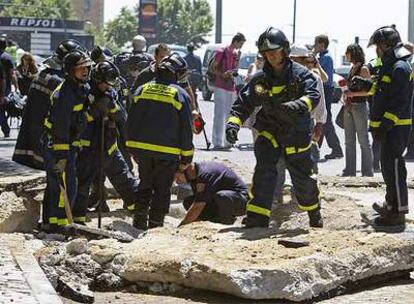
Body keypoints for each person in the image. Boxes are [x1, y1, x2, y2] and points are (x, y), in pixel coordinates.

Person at [226, 27, 322, 228]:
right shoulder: (260, 79)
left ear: (284, 50)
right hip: (270, 132)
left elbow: (313, 96)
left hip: (296, 134)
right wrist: (233, 124)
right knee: (264, 172)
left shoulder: (302, 75)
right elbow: (243, 103)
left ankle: (314, 213)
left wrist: (294, 106)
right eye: (266, 52)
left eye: (274, 51)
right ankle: (258, 217)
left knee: (303, 180)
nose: (270, 55)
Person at [127, 53, 194, 230]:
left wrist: (132, 149)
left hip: (143, 152)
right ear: (175, 73)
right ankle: (156, 226)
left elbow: (131, 120)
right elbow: (186, 129)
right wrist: (186, 159)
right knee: (162, 189)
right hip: (168, 153)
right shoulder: (179, 94)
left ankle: (139, 222)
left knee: (145, 184)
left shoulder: (141, 89)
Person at [360, 25, 413, 226]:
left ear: (386, 46)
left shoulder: (400, 67)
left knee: (395, 168)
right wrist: (366, 85)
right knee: (388, 168)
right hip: (390, 127)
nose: (376, 51)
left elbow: (399, 101)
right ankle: (390, 206)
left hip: (395, 127)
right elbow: (383, 91)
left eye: (378, 47)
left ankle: (398, 212)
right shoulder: (390, 66)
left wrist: (386, 124)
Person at [74, 60, 139, 220]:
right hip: (88, 151)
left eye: (111, 83)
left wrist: (112, 108)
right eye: (106, 83)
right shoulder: (83, 93)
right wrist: (92, 112)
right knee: (83, 186)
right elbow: (74, 124)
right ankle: (78, 220)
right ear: (97, 80)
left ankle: (139, 211)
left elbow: (122, 118)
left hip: (109, 148)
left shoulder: (111, 94)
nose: (109, 86)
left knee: (126, 181)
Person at [12, 40, 86, 170]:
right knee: (59, 176)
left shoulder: (43, 74)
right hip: (51, 136)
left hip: (37, 133)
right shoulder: (60, 82)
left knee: (51, 172)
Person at [41, 50, 93, 232]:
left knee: (62, 185)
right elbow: (60, 129)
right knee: (63, 187)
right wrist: (61, 156)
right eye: (81, 69)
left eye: (87, 67)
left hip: (68, 145)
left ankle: (52, 223)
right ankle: (59, 225)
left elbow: (81, 117)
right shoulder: (63, 95)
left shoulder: (80, 88)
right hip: (57, 146)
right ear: (71, 71)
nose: (85, 71)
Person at [273, 44, 327, 203]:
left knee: (306, 160)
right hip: (281, 124)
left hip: (304, 125)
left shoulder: (313, 78)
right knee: (278, 161)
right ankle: (276, 197)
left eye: (303, 59)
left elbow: (320, 103)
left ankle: (306, 195)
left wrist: (319, 123)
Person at [175, 162, 248, 226]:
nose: (177, 182)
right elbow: (198, 200)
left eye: (178, 177)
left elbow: (199, 205)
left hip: (240, 201)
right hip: (219, 201)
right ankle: (213, 221)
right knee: (188, 201)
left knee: (222, 196)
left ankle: (226, 223)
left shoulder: (205, 174)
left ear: (188, 170)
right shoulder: (194, 176)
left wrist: (182, 224)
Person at [132, 44, 197, 112]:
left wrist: (193, 109)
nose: (165, 60)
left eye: (168, 58)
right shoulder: (145, 74)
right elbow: (134, 94)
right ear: (155, 56)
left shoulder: (176, 72)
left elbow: (187, 89)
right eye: (162, 57)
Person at [341, 44, 373, 177]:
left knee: (363, 140)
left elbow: (370, 90)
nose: (346, 55)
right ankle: (350, 170)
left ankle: (367, 172)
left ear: (353, 53)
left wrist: (353, 95)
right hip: (349, 106)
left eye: (347, 53)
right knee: (349, 141)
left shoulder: (363, 69)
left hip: (359, 107)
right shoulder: (352, 68)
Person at [211, 32, 245, 150]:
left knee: (230, 115)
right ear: (236, 41)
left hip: (231, 87)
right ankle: (217, 141)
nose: (241, 46)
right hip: (220, 86)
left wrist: (238, 60)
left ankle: (228, 141)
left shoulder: (236, 53)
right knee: (219, 114)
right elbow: (213, 68)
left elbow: (235, 69)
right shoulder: (222, 51)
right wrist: (222, 74)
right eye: (241, 43)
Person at [314, 34, 343, 160]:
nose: (314, 46)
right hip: (324, 90)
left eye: (316, 44)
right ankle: (318, 147)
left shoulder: (325, 58)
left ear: (321, 45)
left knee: (325, 120)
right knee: (323, 120)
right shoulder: (323, 57)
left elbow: (322, 76)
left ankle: (334, 148)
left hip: (325, 90)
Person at [0, 37, 19, 138]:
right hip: (5, 87)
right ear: (6, 46)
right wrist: (16, 87)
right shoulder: (7, 57)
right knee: (3, 108)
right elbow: (12, 74)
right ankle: (6, 130)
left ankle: (6, 129)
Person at [243, 54, 264, 142]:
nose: (259, 60)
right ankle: (254, 140)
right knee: (253, 121)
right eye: (258, 58)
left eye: (261, 59)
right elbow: (246, 79)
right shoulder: (252, 66)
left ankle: (259, 139)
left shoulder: (266, 68)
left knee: (260, 120)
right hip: (252, 96)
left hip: (262, 97)